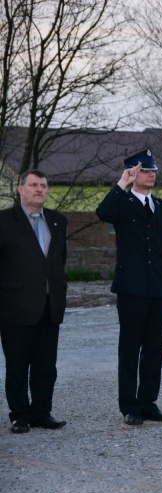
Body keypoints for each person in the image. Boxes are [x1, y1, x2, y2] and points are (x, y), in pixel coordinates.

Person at [96, 149, 162, 426]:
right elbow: (103, 212)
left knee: (155, 348)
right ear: (133, 173)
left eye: (153, 170)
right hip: (131, 288)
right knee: (130, 348)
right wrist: (121, 183)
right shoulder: (122, 203)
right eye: (145, 170)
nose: (152, 174)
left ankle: (148, 402)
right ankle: (129, 406)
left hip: (157, 288)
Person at [0, 169, 67, 434]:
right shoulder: (5, 220)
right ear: (20, 189)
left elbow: (57, 262)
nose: (39, 189)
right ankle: (19, 415)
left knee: (45, 365)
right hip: (14, 305)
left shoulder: (58, 221)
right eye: (33, 185)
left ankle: (42, 412)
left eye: (43, 185)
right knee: (17, 365)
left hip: (50, 304)